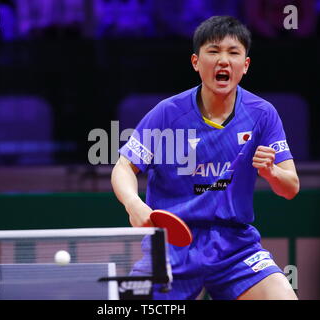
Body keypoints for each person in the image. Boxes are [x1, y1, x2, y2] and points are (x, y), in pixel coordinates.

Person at [111, 15, 299, 300]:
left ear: (245, 65)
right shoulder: (168, 113)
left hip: (235, 246)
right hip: (173, 244)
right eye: (213, 51)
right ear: (196, 62)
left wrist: (273, 173)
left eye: (233, 53)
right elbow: (124, 166)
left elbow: (291, 187)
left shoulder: (262, 113)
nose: (223, 60)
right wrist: (133, 204)